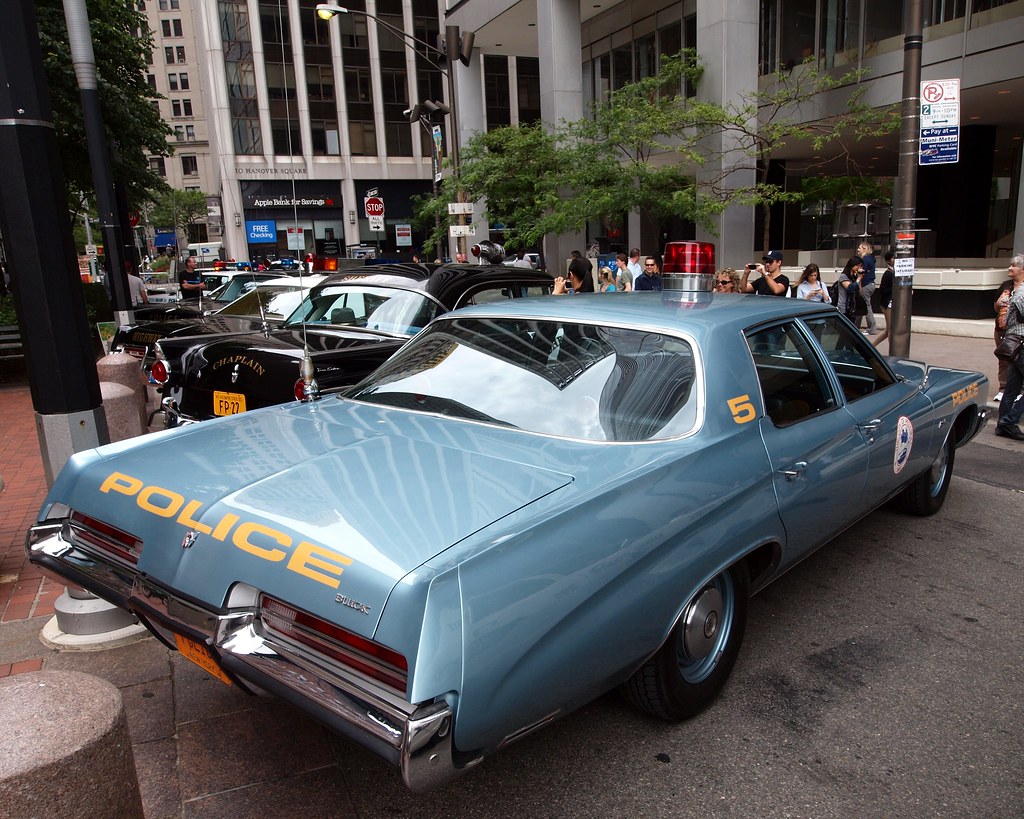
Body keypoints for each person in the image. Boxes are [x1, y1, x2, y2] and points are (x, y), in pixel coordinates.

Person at [994, 255, 1024, 440]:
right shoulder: (1022, 294)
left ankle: (1002, 424)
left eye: (1014, 265)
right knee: (1012, 387)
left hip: (1016, 344)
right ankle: (1009, 421)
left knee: (1012, 387)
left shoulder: (1019, 292)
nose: (1010, 267)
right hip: (1021, 343)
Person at [992, 259, 1020, 401]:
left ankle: (1018, 390)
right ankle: (1003, 388)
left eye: (1013, 266)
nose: (1010, 268)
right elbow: (995, 306)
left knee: (1019, 360)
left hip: (1019, 332)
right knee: (1004, 358)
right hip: (1001, 330)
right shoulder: (1006, 285)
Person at [872, 251, 896, 350]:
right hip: (887, 304)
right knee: (890, 329)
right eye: (893, 258)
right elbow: (882, 290)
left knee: (888, 330)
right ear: (888, 261)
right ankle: (893, 350)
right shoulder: (888, 274)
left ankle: (871, 347)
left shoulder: (895, 272)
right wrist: (895, 288)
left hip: (891, 303)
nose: (895, 260)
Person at [857, 241, 879, 334]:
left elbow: (862, 273)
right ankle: (856, 326)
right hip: (871, 284)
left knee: (866, 306)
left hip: (866, 285)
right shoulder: (871, 259)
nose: (858, 249)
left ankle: (872, 328)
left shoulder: (865, 260)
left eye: (860, 248)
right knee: (862, 305)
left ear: (865, 249)